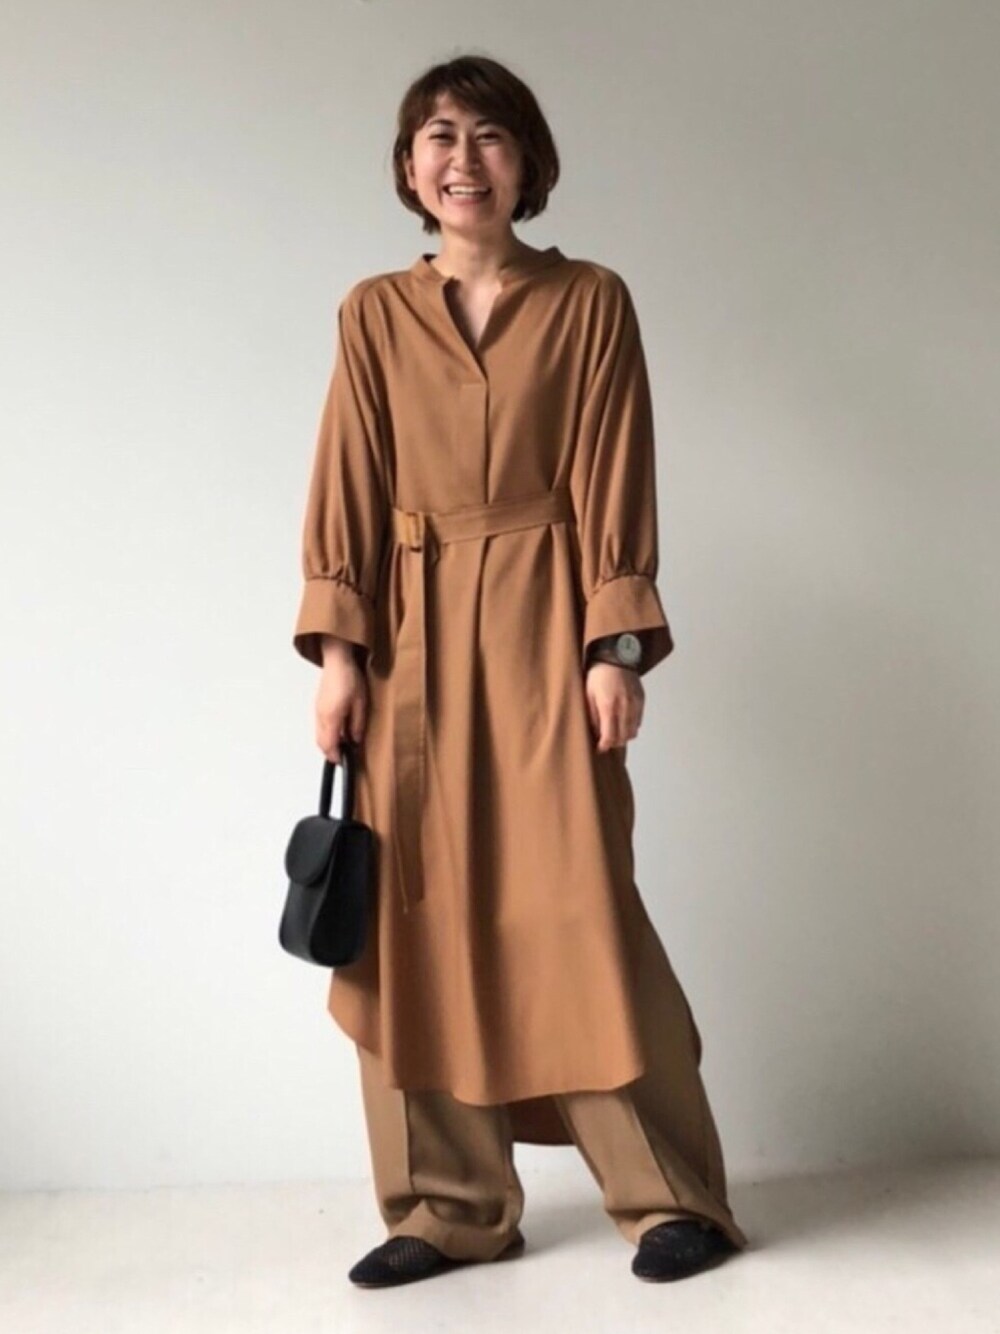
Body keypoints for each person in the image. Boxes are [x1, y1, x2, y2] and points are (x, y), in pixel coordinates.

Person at [291, 53, 749, 1287]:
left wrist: (614, 646)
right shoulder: (372, 314)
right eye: (438, 136)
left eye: (489, 136)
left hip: (550, 631)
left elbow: (614, 474)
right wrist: (338, 658)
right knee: (413, 914)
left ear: (528, 163)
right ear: (408, 167)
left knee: (576, 905)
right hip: (410, 644)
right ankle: (446, 1207)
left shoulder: (590, 300)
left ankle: (669, 1196)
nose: (463, 159)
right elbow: (347, 486)